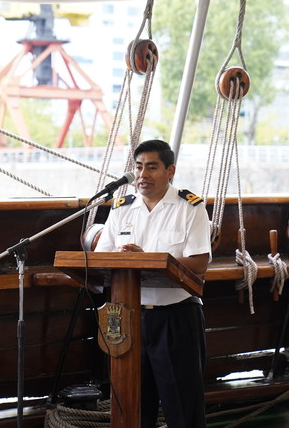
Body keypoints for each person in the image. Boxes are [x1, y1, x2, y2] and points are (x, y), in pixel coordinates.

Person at [94, 139, 212, 428]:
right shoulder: (121, 208)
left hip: (174, 318)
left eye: (151, 167)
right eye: (138, 167)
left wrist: (149, 260)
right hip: (128, 319)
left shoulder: (190, 208)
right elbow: (100, 259)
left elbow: (199, 263)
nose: (142, 174)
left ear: (170, 170)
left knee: (182, 410)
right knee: (133, 407)